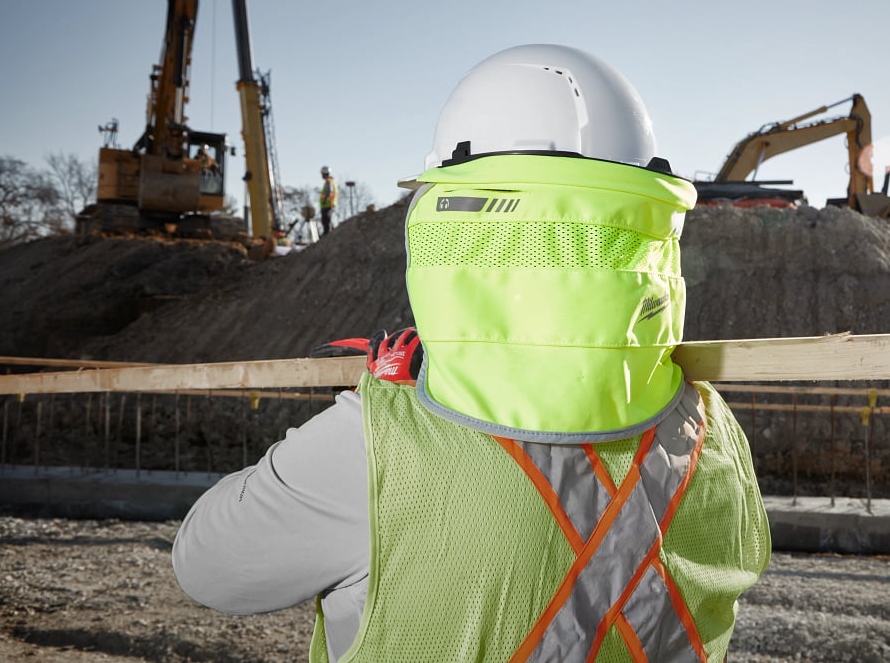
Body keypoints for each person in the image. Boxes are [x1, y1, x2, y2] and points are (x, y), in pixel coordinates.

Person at [172, 44, 770, 662]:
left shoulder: (380, 448)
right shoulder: (710, 431)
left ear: (452, 215)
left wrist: (370, 403)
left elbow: (206, 565)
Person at [319, 165, 337, 235]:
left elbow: (329, 192)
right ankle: (330, 233)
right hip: (329, 204)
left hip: (328, 204)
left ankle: (327, 234)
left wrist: (324, 200)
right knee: (327, 220)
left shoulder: (329, 182)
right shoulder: (331, 181)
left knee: (326, 220)